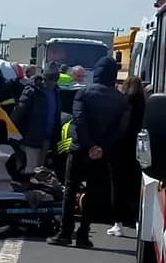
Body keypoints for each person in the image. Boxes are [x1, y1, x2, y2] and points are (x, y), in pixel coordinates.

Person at [49, 55, 128, 249]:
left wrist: (88, 144)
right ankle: (83, 235)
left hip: (79, 148)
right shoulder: (121, 100)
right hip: (102, 153)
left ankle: (65, 232)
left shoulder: (83, 93)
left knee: (70, 188)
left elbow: (79, 119)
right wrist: (101, 147)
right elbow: (120, 129)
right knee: (93, 192)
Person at [107, 75, 147, 237]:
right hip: (137, 150)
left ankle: (118, 224)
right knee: (136, 186)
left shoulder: (121, 103)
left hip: (119, 149)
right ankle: (138, 221)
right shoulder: (145, 104)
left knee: (117, 186)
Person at [11, 62, 62, 169]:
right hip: (31, 138)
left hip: (47, 138)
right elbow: (18, 112)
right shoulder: (32, 90)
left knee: (41, 172)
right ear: (44, 77)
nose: (52, 82)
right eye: (50, 79)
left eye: (55, 79)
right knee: (31, 170)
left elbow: (56, 115)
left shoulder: (56, 91)